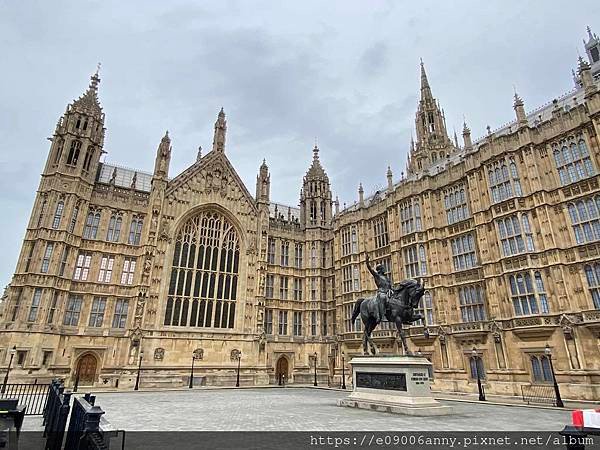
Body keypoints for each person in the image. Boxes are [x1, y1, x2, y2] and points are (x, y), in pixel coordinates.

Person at [365, 254, 391, 323]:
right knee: (383, 298)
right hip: (381, 293)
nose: (384, 269)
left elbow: (390, 287)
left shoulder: (386, 278)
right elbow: (370, 269)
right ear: (380, 270)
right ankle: (382, 316)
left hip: (388, 292)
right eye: (383, 268)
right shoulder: (377, 276)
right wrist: (367, 261)